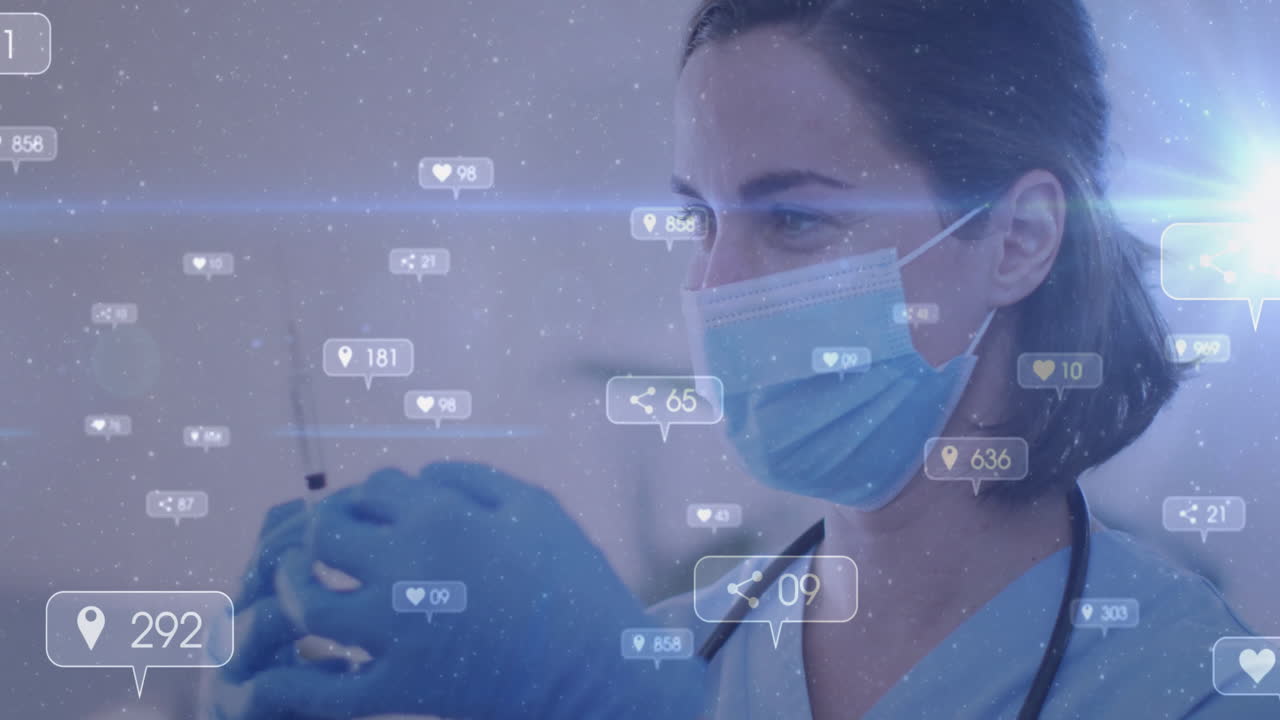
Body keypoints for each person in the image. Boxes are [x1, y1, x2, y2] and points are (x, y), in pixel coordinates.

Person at [206, 1, 1272, 718]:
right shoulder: (674, 652)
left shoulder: (1190, 684)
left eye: (793, 219)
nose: (713, 286)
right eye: (700, 219)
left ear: (1016, 239)